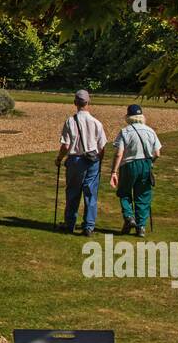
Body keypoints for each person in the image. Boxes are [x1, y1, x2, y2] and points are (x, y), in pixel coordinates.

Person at [55, 90, 108, 236]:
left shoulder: (70, 121)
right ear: (88, 102)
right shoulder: (97, 123)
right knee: (90, 194)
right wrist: (99, 160)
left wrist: (59, 159)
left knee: (73, 193)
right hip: (92, 161)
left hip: (75, 160)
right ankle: (88, 226)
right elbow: (102, 147)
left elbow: (65, 146)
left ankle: (69, 223)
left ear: (75, 103)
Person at [109, 104, 162, 237]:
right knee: (143, 195)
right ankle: (141, 227)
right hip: (145, 163)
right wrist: (150, 162)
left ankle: (129, 217)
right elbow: (157, 153)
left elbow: (119, 153)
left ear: (128, 117)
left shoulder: (125, 131)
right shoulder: (150, 131)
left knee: (124, 192)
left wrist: (114, 171)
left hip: (129, 165)